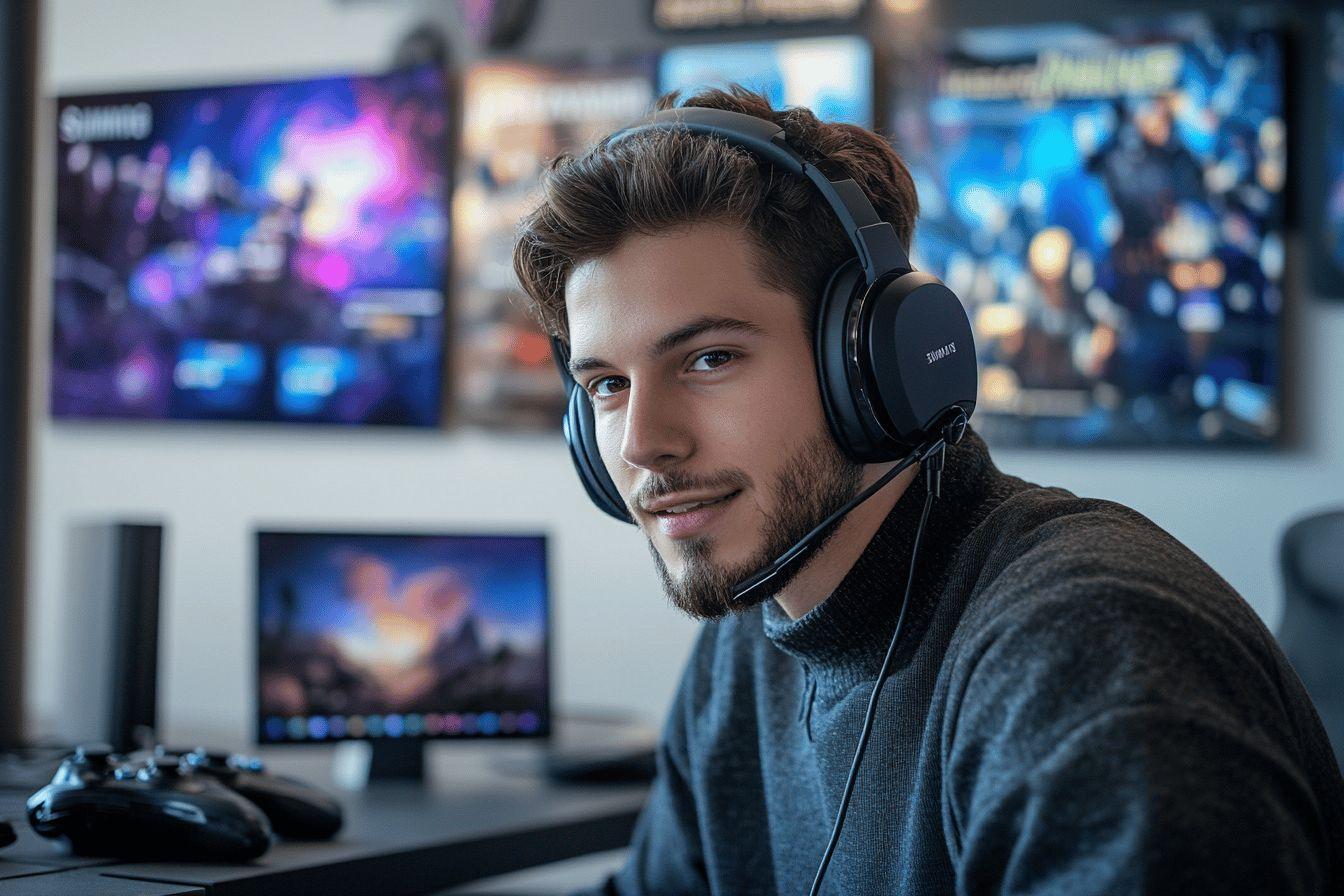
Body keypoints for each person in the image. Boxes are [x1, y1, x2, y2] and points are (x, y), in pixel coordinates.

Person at [511, 87, 1344, 894]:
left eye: (709, 359)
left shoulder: (1086, 652)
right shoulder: (749, 639)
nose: (645, 442)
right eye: (607, 386)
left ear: (873, 361)